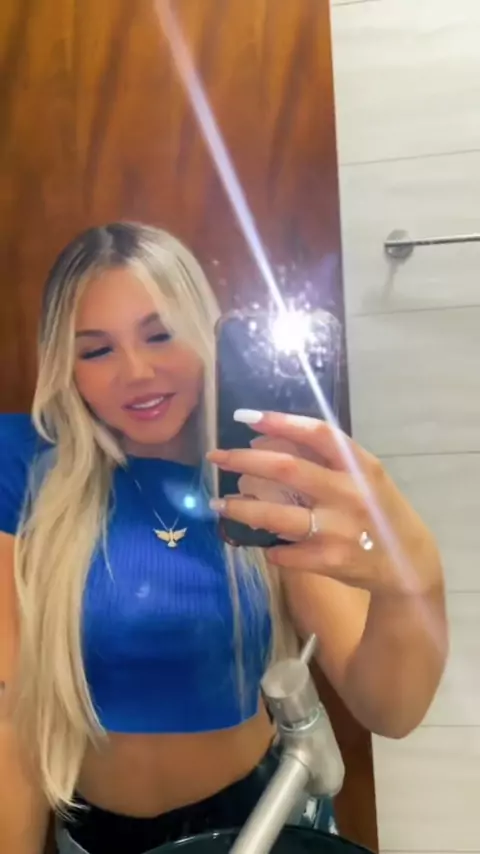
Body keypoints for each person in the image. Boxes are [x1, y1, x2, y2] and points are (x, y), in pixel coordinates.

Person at [0, 223, 448, 854]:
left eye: (160, 334)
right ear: (64, 365)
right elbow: (12, 715)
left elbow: (389, 710)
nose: (137, 372)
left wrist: (414, 581)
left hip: (259, 824)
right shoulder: (24, 466)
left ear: (204, 331)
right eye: (96, 351)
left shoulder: (262, 473)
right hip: (94, 837)